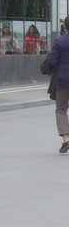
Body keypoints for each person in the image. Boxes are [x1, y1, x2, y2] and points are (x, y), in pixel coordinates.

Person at [49, 26, 69, 154]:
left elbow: (52, 61)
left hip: (63, 79)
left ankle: (66, 139)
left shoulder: (60, 41)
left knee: (61, 109)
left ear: (66, 26)